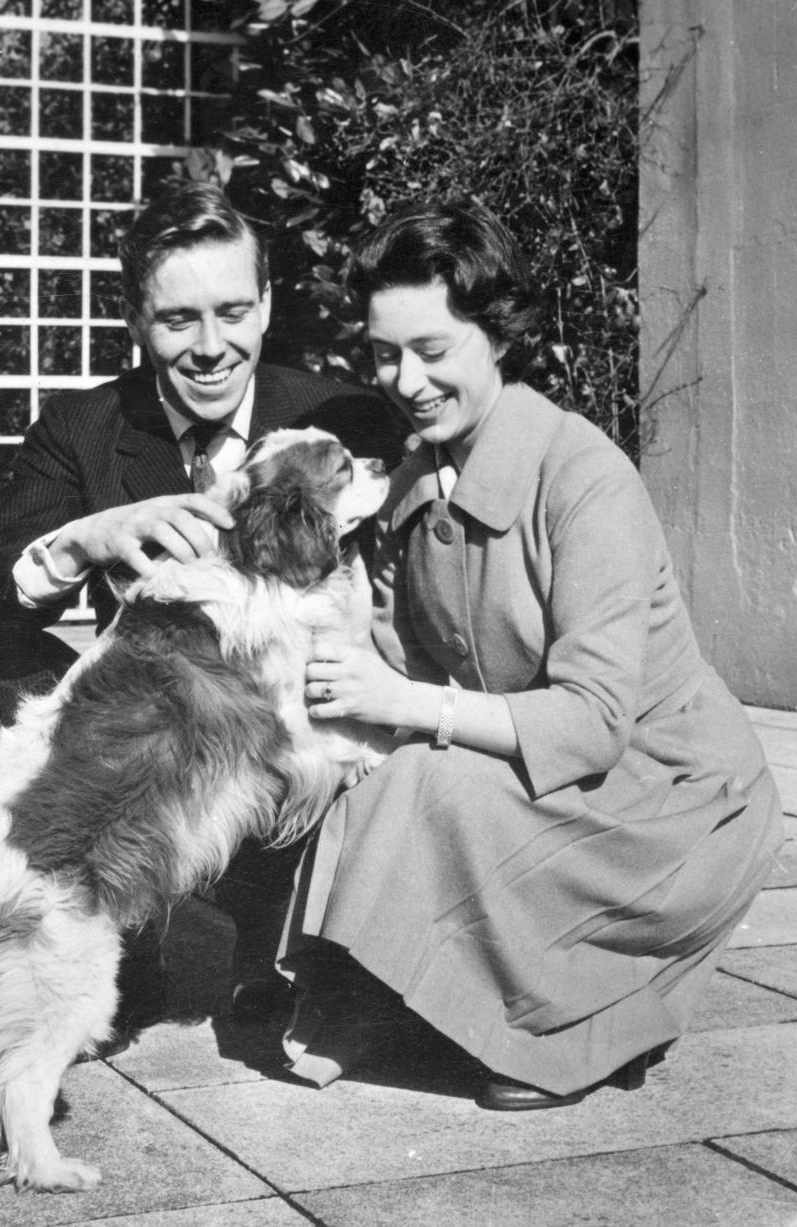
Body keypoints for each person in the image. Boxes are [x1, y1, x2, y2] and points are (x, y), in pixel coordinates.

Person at [278, 202, 784, 1109]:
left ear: (497, 332)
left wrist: (408, 705)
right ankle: (416, 992)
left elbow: (590, 724)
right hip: (549, 774)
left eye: (434, 349)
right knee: (380, 777)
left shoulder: (586, 478)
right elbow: (398, 658)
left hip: (671, 798)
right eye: (386, 354)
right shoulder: (410, 482)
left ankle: (578, 1026)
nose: (406, 380)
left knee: (428, 779)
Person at [0, 180, 403, 1018]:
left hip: (293, 717)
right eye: (176, 319)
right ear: (134, 319)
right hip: (159, 747)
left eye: (233, 311)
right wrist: (87, 535)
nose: (210, 346)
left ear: (267, 305)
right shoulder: (82, 427)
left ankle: (284, 932)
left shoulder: (340, 419)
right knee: (10, 676)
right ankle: (107, 919)